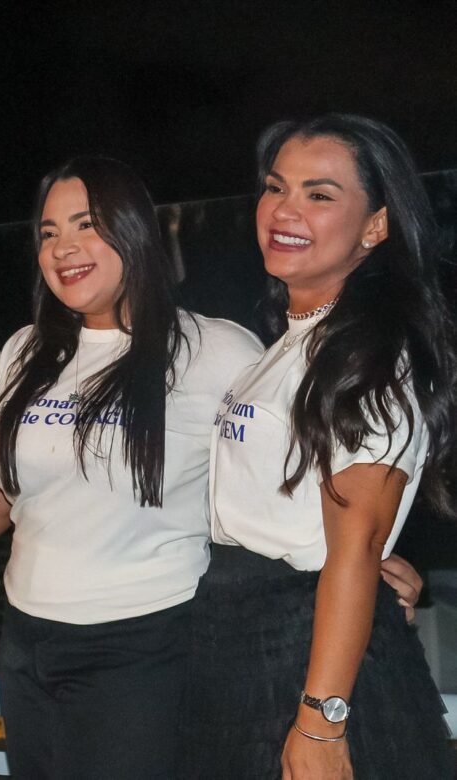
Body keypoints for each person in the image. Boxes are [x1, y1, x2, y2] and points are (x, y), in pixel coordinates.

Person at [0, 156, 265, 778]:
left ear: (134, 231)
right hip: (26, 642)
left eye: (87, 225)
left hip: (146, 646)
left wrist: (364, 559)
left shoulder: (217, 352)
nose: (63, 249)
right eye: (49, 232)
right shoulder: (23, 353)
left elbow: (278, 491)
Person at [182, 114, 456, 777]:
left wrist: (322, 724)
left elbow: (354, 545)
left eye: (320, 194)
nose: (285, 210)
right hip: (248, 641)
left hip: (302, 662)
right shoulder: (297, 342)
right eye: (276, 187)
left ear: (376, 225)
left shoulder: (369, 355)